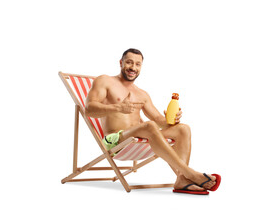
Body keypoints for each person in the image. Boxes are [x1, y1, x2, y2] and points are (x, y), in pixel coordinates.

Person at [85, 48, 220, 193]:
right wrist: (117, 107)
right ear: (121, 63)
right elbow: (89, 110)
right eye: (129, 63)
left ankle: (181, 179)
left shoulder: (142, 94)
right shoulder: (105, 80)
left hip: (140, 139)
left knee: (183, 128)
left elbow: (157, 119)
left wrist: (172, 119)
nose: (133, 68)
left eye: (138, 64)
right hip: (115, 141)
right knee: (149, 126)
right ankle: (191, 174)